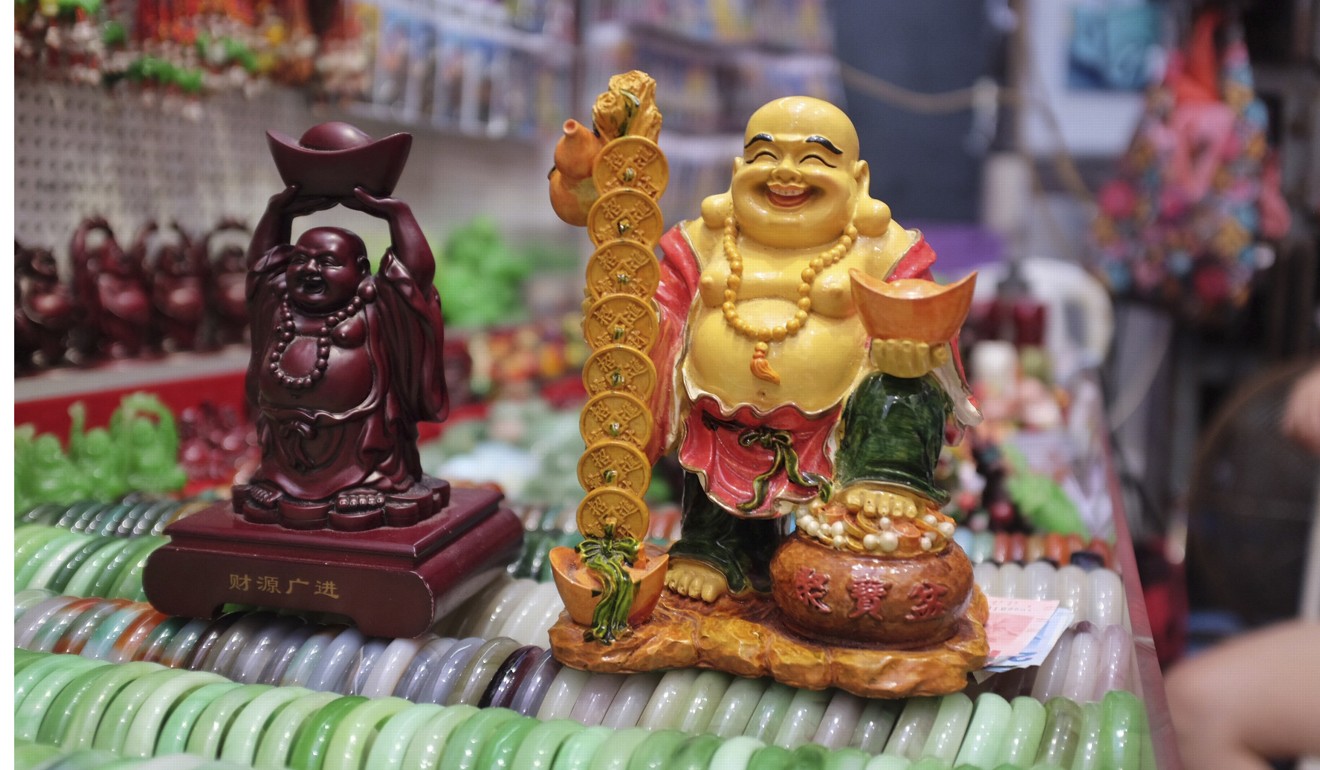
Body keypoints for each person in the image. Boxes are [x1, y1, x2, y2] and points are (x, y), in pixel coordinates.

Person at [646, 96, 979, 603]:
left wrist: (915, 351)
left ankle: (879, 495)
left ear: (859, 178)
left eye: (813, 160)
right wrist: (644, 325)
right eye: (764, 155)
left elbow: (931, 319)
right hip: (725, 422)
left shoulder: (885, 249)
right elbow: (664, 301)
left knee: (904, 386)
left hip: (838, 431)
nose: (784, 174)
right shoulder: (703, 241)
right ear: (737, 169)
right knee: (710, 454)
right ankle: (718, 544)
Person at [237, 184, 448, 531]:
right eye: (301, 259)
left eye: (328, 262)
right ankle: (280, 479)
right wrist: (278, 212)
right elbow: (261, 265)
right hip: (284, 447)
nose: (310, 269)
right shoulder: (279, 302)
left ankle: (370, 482)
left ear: (361, 269)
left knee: (372, 465)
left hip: (360, 449)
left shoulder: (375, 306)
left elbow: (415, 276)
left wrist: (397, 215)